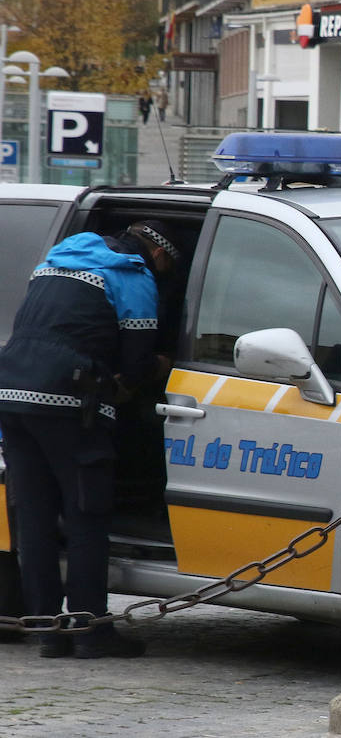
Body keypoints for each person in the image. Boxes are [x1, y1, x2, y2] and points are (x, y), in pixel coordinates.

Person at [0, 220, 181, 659]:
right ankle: (90, 631)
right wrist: (161, 365)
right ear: (157, 255)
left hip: (10, 395)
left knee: (37, 520)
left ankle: (47, 632)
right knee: (86, 516)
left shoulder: (54, 262)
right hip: (69, 404)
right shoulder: (132, 274)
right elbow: (137, 362)